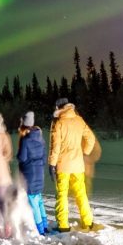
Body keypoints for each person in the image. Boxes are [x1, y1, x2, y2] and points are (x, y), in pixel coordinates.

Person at [48, 97, 96, 232]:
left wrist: (52, 164)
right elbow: (90, 138)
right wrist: (84, 152)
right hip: (78, 165)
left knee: (62, 195)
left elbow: (55, 147)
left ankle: (63, 225)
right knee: (81, 193)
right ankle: (88, 222)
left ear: (59, 107)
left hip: (63, 165)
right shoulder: (79, 120)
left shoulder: (59, 123)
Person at [17, 111, 49, 235]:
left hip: (30, 174)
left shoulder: (25, 140)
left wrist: (19, 155)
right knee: (39, 200)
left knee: (34, 202)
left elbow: (22, 158)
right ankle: (45, 225)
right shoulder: (40, 137)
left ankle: (41, 230)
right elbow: (44, 156)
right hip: (39, 172)